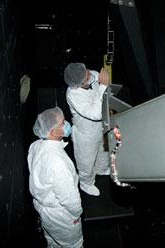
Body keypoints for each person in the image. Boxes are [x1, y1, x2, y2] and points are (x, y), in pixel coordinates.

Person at [27, 107, 84, 248]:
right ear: (53, 131)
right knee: (73, 244)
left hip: (44, 211)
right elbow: (69, 198)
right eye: (62, 122)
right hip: (61, 216)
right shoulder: (58, 162)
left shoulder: (35, 145)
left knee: (52, 240)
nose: (66, 124)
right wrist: (76, 214)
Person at [63, 62, 110, 196]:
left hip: (101, 126)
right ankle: (86, 183)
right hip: (86, 134)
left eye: (87, 71)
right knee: (86, 161)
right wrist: (103, 86)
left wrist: (104, 87)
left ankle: (101, 169)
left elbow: (103, 92)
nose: (90, 75)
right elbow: (95, 114)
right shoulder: (73, 95)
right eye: (86, 76)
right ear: (78, 85)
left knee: (104, 150)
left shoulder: (93, 75)